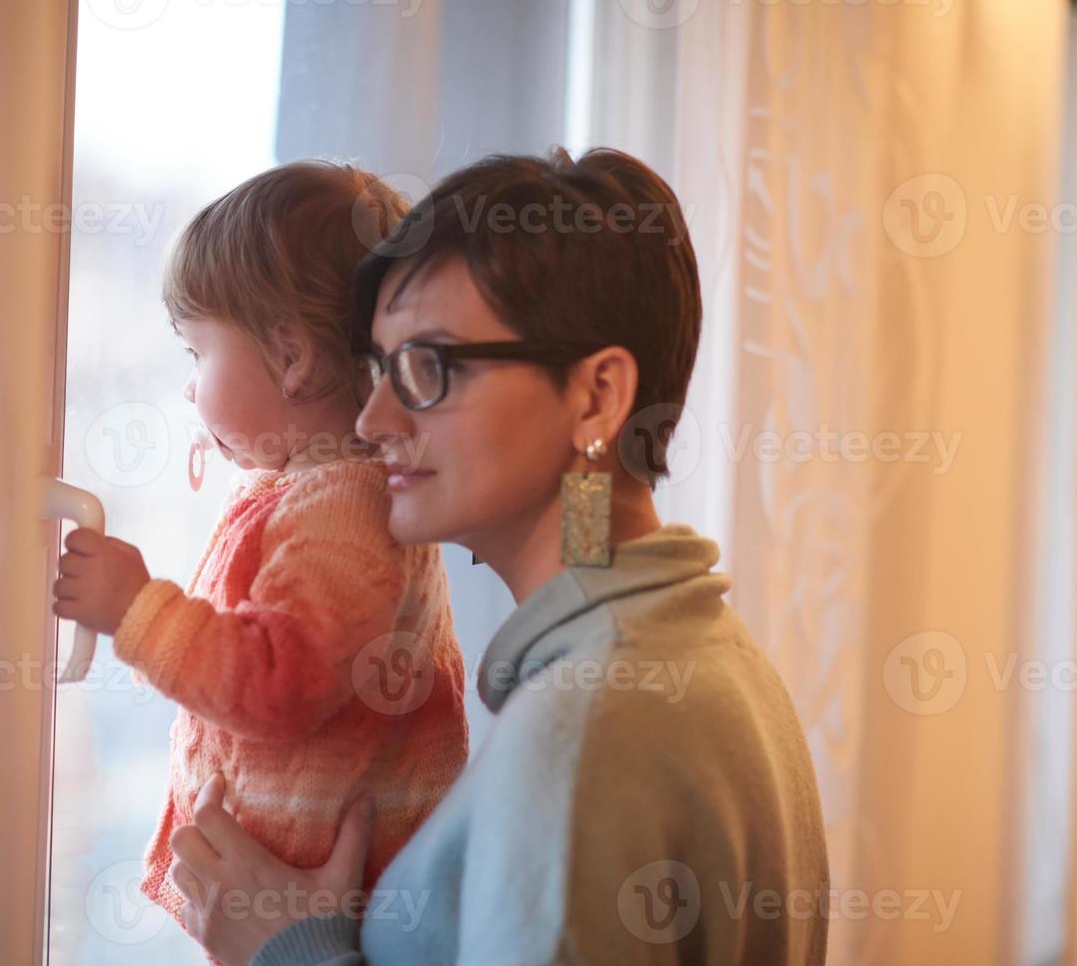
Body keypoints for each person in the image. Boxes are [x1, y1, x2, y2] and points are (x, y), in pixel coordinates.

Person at [169, 147, 830, 965]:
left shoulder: (587, 728)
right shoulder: (696, 654)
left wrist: (289, 950)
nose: (374, 417)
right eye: (378, 367)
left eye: (425, 367)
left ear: (595, 399)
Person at [50, 161, 470, 958]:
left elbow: (282, 679)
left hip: (324, 912)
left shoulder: (342, 513)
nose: (187, 389)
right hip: (291, 906)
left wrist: (136, 609)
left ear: (290, 358)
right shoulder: (311, 494)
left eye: (196, 353)